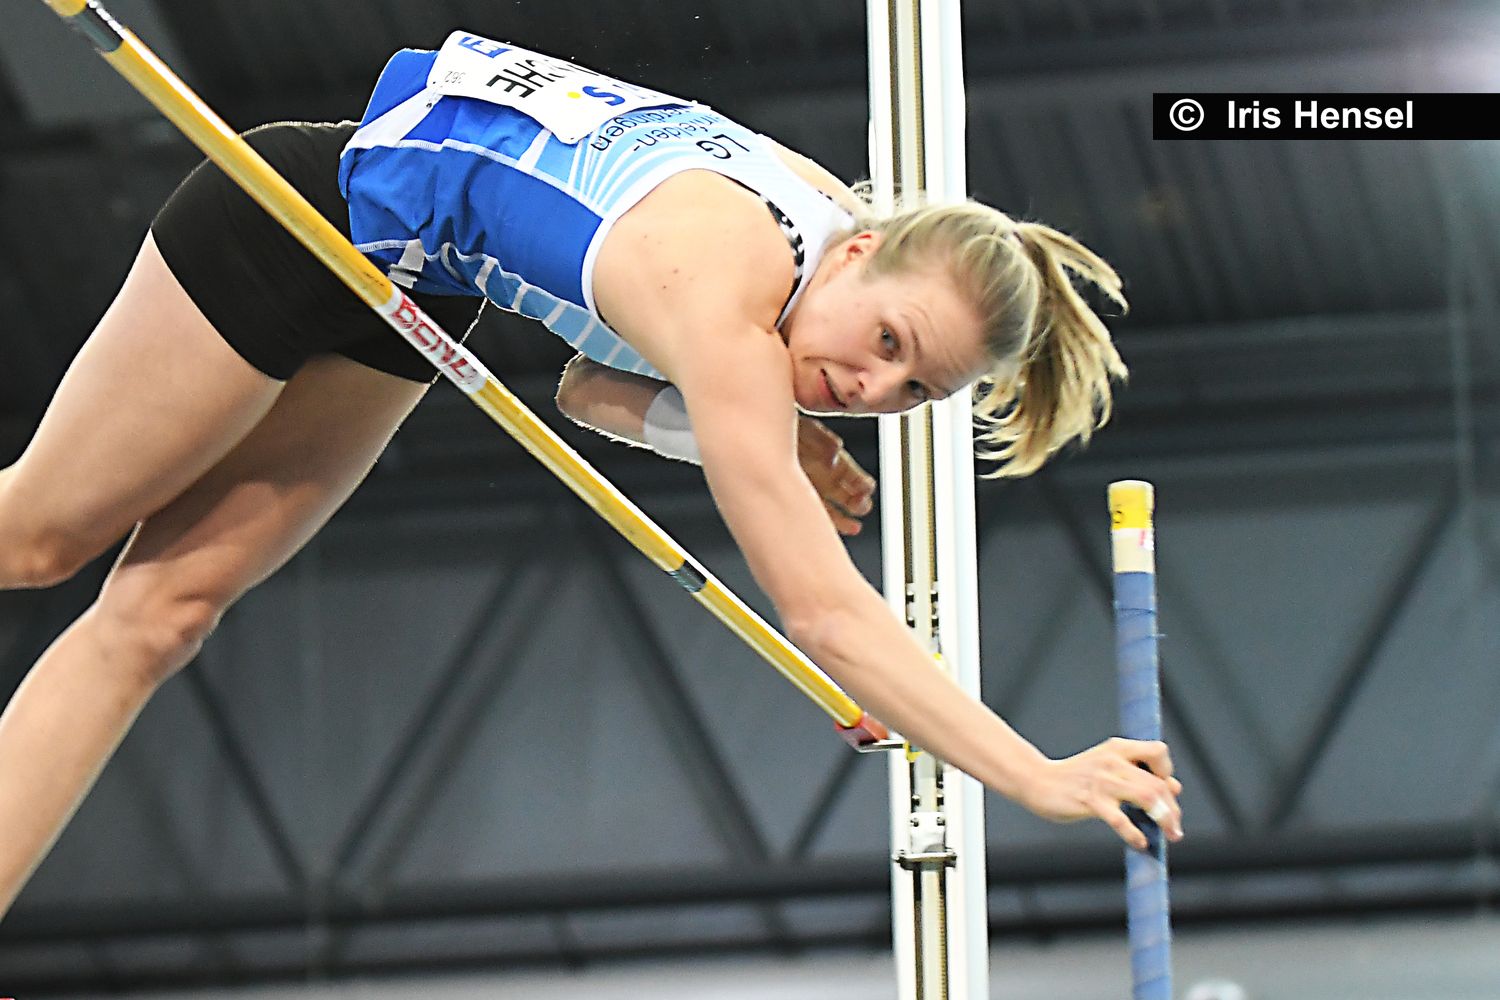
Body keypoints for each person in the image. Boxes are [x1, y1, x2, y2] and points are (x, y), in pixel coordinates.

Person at [0, 32, 1182, 917]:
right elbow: (826, 612)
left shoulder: (808, 229)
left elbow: (585, 389)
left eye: (913, 389)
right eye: (887, 341)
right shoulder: (729, 299)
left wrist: (743, 432)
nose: (874, 388)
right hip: (295, 215)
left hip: (413, 294)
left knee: (165, 616)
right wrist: (1032, 773)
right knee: (37, 540)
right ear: (861, 251)